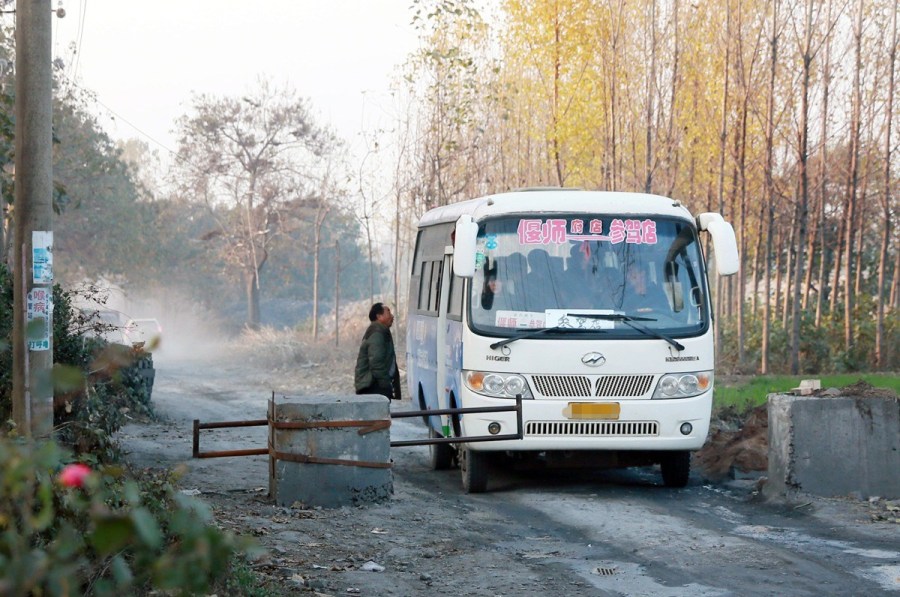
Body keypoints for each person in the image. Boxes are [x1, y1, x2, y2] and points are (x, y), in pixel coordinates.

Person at [354, 302, 402, 400]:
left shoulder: (382, 331)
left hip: (376, 384)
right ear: (379, 316)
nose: (392, 316)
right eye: (388, 313)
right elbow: (376, 362)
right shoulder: (377, 334)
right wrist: (385, 384)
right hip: (372, 385)